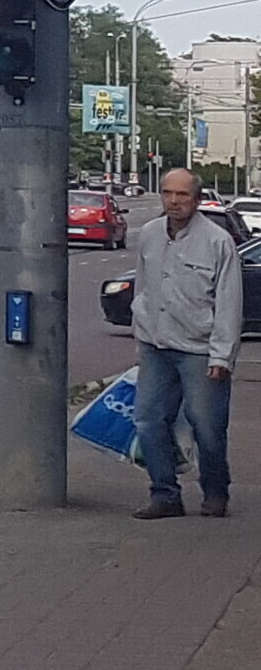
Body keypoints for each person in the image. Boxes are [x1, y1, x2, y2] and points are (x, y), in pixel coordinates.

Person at [129, 168, 242, 521]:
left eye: (182, 195)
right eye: (168, 193)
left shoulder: (217, 241)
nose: (174, 201)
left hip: (200, 350)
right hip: (156, 346)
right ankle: (165, 495)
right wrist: (140, 330)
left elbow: (229, 302)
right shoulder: (149, 234)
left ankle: (215, 492)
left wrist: (222, 356)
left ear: (197, 198)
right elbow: (143, 287)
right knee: (148, 421)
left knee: (207, 427)